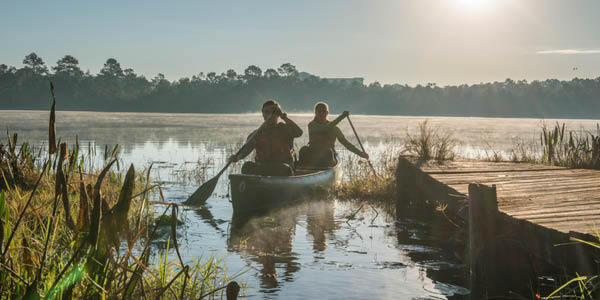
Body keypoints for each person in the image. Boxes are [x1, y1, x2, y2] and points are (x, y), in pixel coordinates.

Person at [229, 100, 303, 176]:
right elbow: (246, 149)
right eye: (267, 112)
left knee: (285, 168)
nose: (270, 115)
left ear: (277, 114)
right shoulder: (257, 134)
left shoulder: (284, 129)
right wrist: (237, 157)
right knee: (247, 166)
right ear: (263, 114)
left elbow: (299, 132)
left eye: (273, 112)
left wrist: (283, 117)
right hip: (263, 167)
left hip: (282, 167)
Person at [299, 102, 368, 167]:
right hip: (313, 155)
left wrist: (361, 153)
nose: (321, 114)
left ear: (327, 113)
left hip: (327, 157)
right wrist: (341, 117)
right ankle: (301, 169)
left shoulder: (335, 128)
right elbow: (325, 128)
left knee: (328, 152)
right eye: (319, 112)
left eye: (323, 111)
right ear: (315, 113)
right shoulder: (311, 125)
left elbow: (346, 143)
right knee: (303, 149)